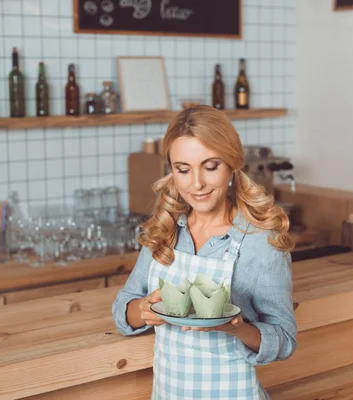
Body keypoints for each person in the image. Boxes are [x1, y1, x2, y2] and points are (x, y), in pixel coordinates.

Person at [112, 105, 297, 399]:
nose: (196, 183)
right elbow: (124, 309)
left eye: (210, 167)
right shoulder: (166, 231)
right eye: (182, 170)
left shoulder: (259, 242)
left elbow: (285, 339)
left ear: (233, 166)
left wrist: (237, 329)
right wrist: (144, 310)